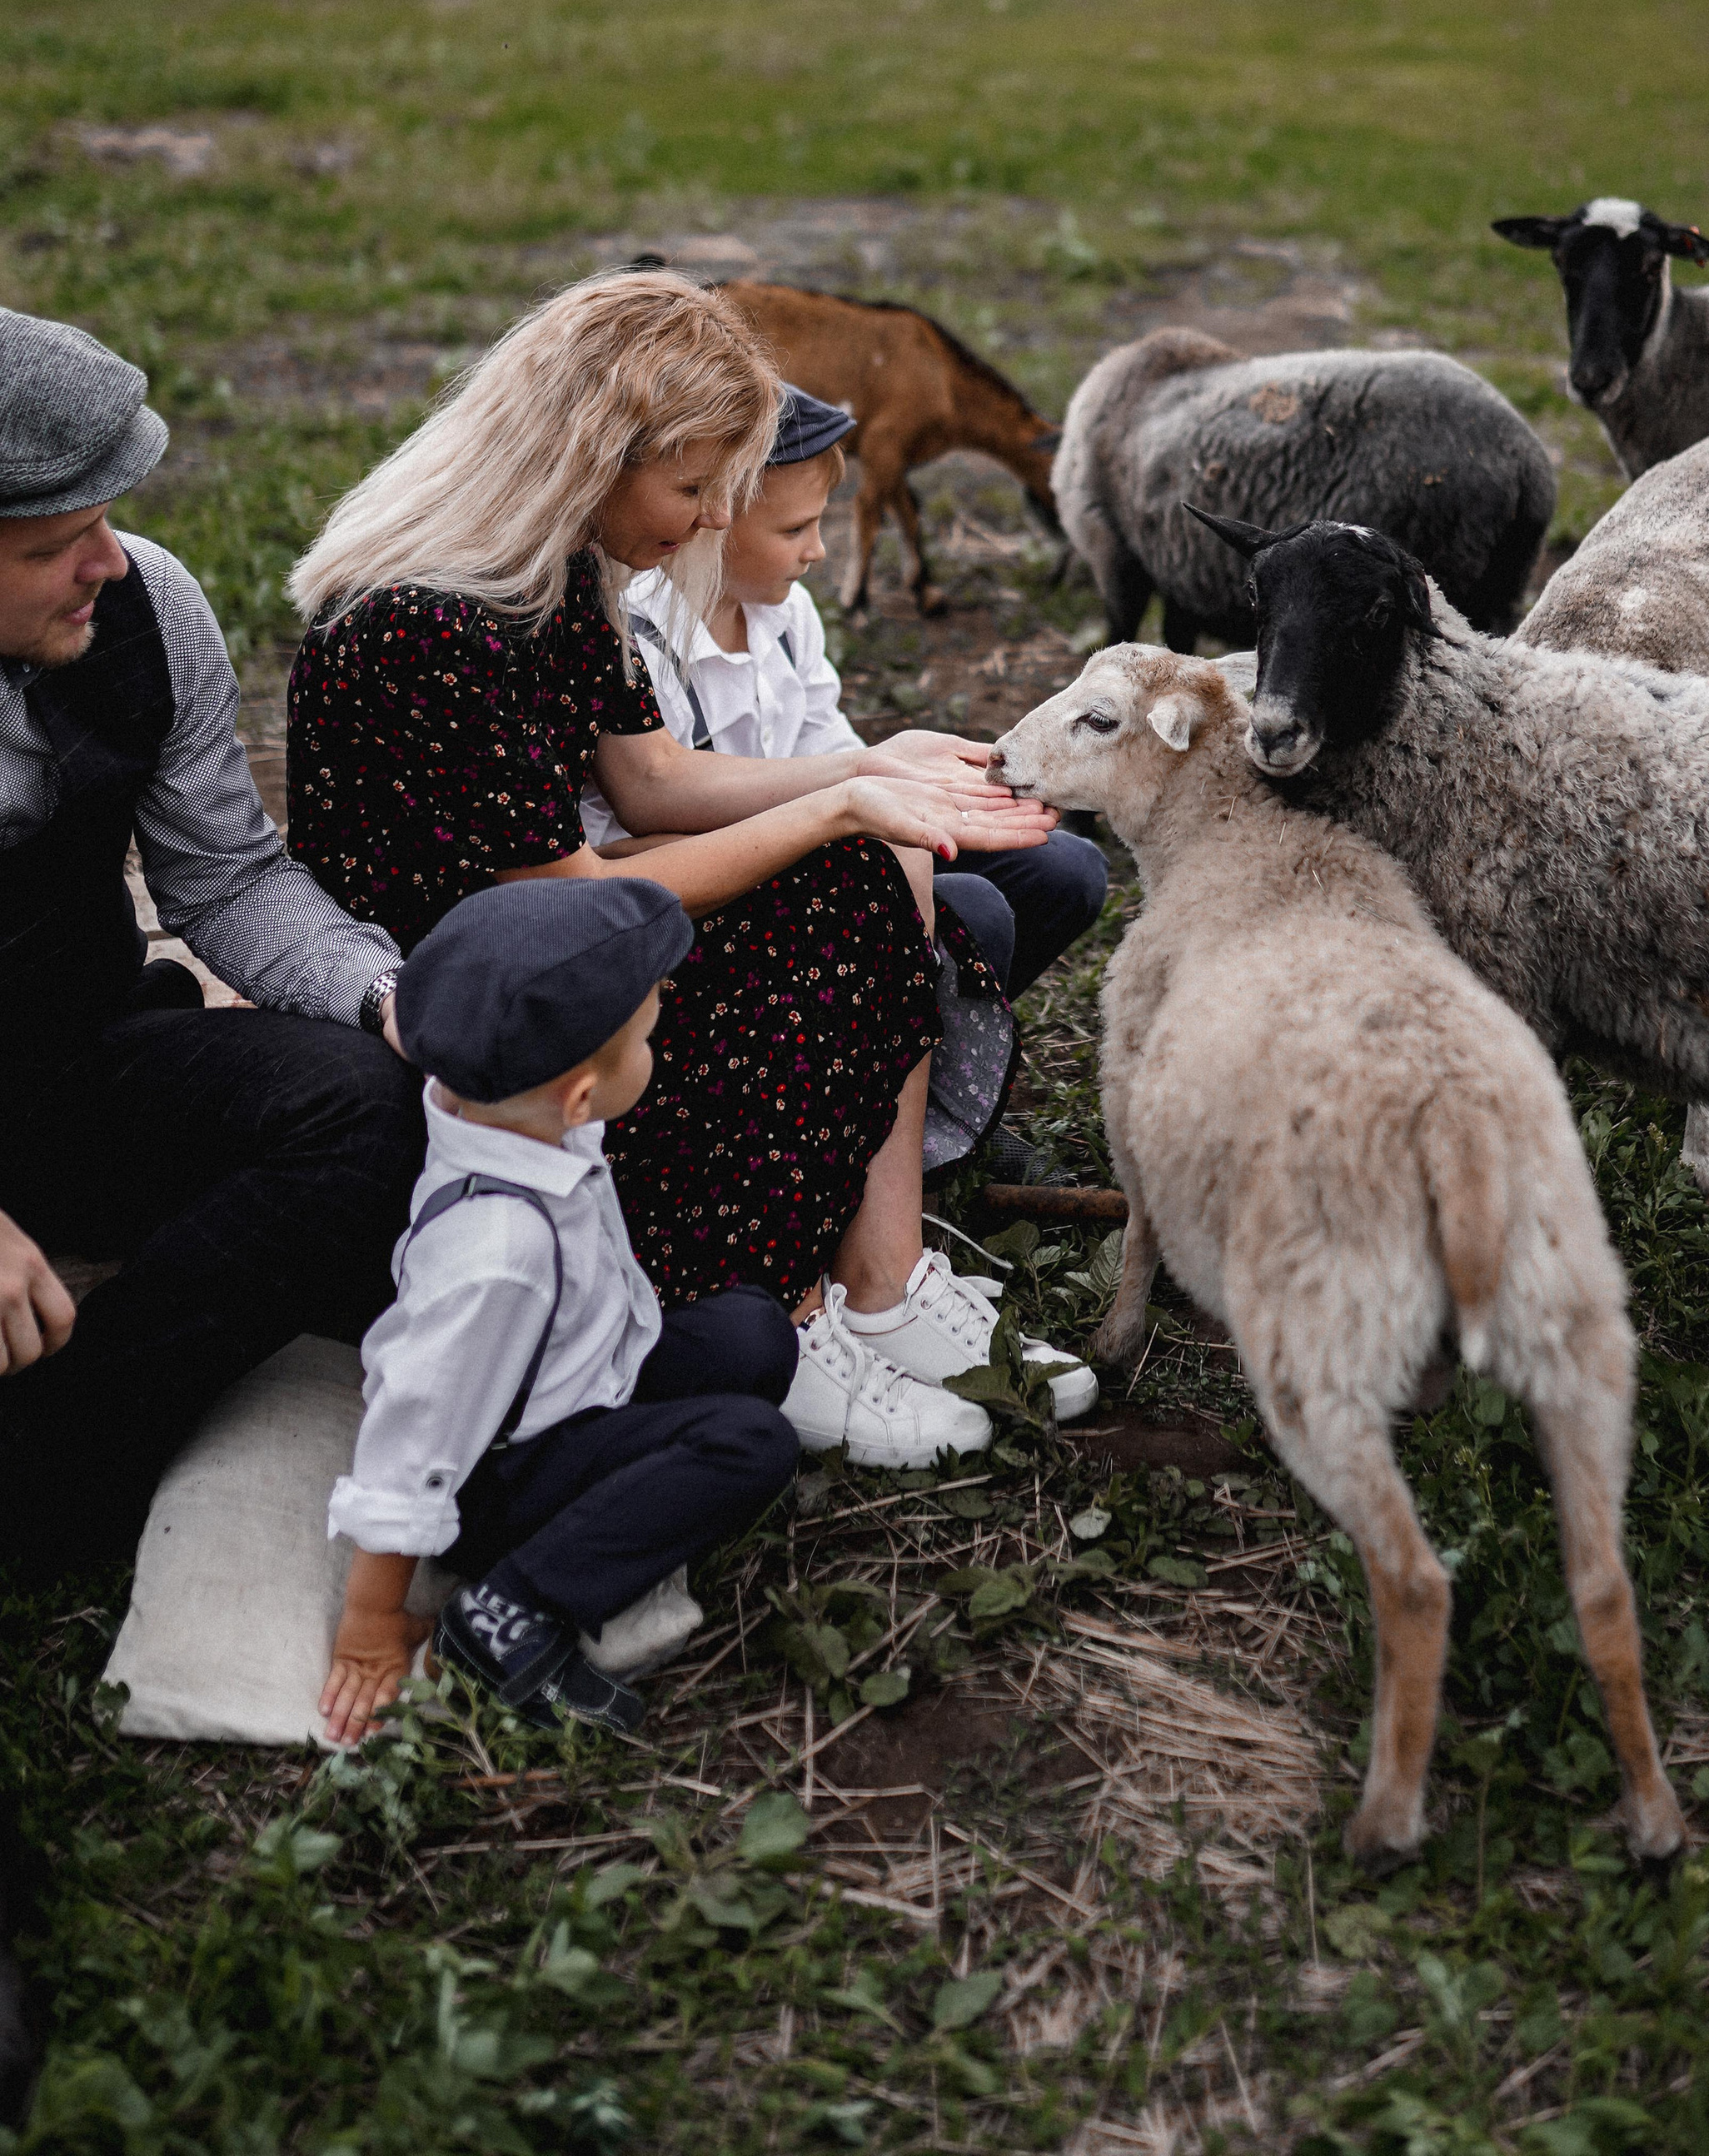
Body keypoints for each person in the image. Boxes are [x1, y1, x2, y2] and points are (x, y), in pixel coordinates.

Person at [284, 270, 1094, 1473]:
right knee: (841, 884)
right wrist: (834, 808)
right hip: (460, 982)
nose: (716, 519)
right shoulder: (429, 621)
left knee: (877, 865)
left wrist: (864, 771)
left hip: (549, 914)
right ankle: (779, 1297)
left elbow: (654, 781)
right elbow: (558, 903)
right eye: (694, 487)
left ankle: (876, 1279)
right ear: (592, 458)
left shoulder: (560, 571)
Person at [0, 307, 423, 1574]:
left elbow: (228, 881)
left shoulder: (149, 608)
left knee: (368, 1111)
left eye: (110, 522)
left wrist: (385, 991)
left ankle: (47, 1476)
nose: (112, 565)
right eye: (60, 543)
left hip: (69, 1057)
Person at [321, 880, 803, 1748]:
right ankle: (511, 1609)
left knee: (752, 1333)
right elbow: (417, 1429)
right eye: (650, 1034)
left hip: (581, 1379)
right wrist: (369, 1620)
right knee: (753, 1442)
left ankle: (625, 1491)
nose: (661, 1031)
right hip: (506, 1473)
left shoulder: (503, 1109)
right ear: (580, 1098)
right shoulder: (497, 1253)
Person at [576, 378, 1109, 1035]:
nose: (818, 551)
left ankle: (944, 1072)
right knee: (974, 909)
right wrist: (855, 792)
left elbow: (826, 749)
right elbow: (632, 834)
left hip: (816, 836)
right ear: (710, 520)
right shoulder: (631, 637)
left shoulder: (787, 613)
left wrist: (922, 788)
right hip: (698, 890)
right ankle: (883, 1091)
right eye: (796, 528)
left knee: (1067, 868)